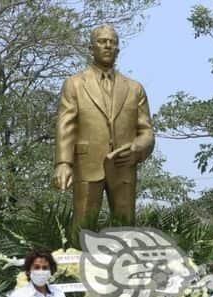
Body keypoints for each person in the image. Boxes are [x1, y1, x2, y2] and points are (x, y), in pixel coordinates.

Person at [54, 24, 155, 229]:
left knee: (126, 228)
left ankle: (125, 262)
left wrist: (137, 149)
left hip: (124, 166)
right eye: (102, 41)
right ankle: (79, 261)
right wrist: (63, 163)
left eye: (112, 42)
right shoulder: (74, 84)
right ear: (91, 48)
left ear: (118, 49)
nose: (108, 46)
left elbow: (146, 131)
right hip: (87, 164)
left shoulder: (134, 89)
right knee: (83, 226)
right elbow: (66, 125)